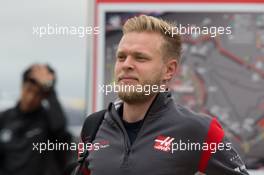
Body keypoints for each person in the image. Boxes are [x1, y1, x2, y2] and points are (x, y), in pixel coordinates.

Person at [80, 15, 249, 175]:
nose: (127, 65)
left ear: (169, 70)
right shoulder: (93, 126)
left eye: (140, 58)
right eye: (121, 57)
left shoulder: (198, 130)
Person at [0, 64, 72, 175]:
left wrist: (49, 87)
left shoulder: (49, 121)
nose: (31, 98)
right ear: (22, 86)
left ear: (45, 96)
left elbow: (61, 131)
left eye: (38, 93)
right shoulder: (4, 118)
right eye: (29, 90)